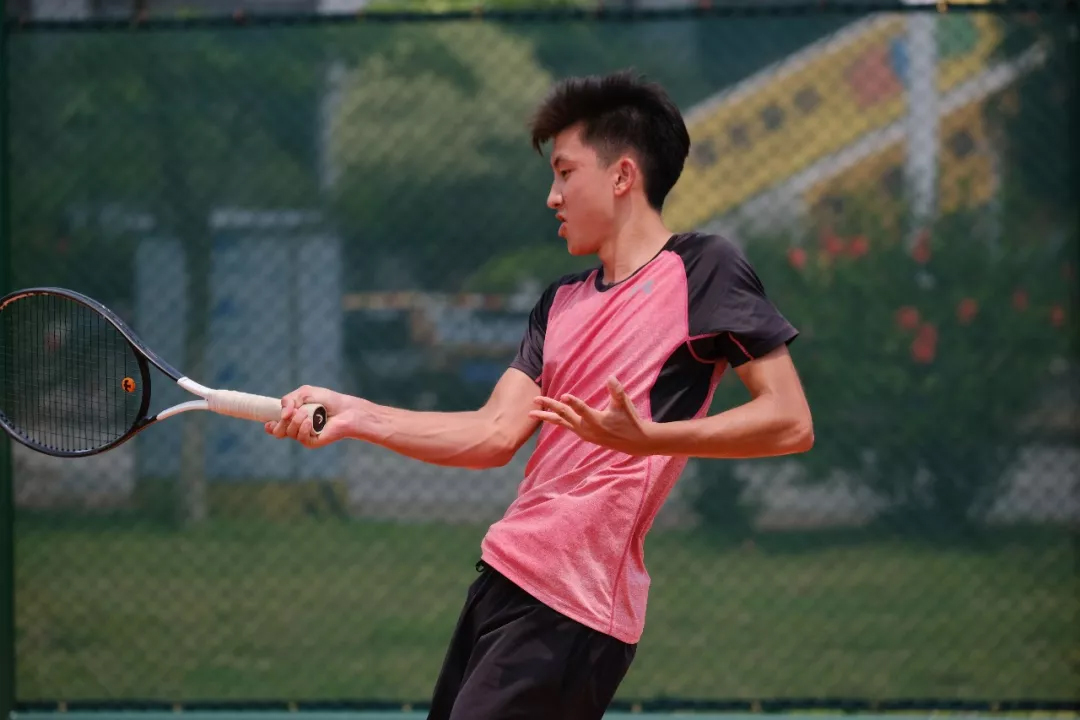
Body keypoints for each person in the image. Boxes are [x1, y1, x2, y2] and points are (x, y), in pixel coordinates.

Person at [266, 69, 814, 720]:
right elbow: (492, 434)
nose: (552, 197)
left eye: (565, 172)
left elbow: (789, 420)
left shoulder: (703, 270)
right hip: (503, 583)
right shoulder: (559, 304)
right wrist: (355, 414)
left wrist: (651, 438)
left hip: (572, 610)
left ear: (622, 176)